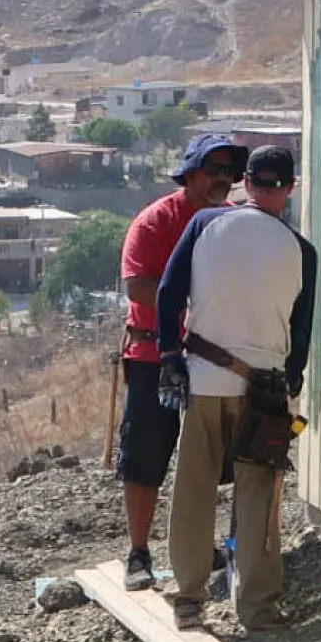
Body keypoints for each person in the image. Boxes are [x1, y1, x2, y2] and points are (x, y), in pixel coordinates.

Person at [153, 145, 318, 631]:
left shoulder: (204, 225)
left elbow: (167, 293)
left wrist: (168, 356)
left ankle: (188, 599)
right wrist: (291, 385)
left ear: (245, 181)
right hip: (265, 392)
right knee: (258, 494)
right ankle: (258, 609)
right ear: (288, 189)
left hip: (204, 378)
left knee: (195, 487)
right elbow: (301, 333)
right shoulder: (301, 250)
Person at [114, 134, 244, 590]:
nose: (224, 180)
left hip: (215, 360)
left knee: (207, 458)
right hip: (153, 356)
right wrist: (195, 308)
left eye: (229, 172)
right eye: (215, 170)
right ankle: (138, 551)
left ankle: (197, 547)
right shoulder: (154, 222)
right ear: (190, 175)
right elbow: (139, 288)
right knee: (146, 456)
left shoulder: (234, 223)